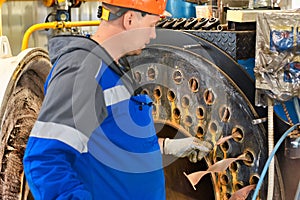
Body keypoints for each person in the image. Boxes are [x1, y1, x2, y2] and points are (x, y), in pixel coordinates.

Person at [23, 0, 213, 199]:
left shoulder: (112, 69)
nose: (153, 34)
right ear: (130, 20)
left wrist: (166, 146)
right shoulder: (84, 71)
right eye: (151, 25)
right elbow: (44, 161)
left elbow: (108, 142)